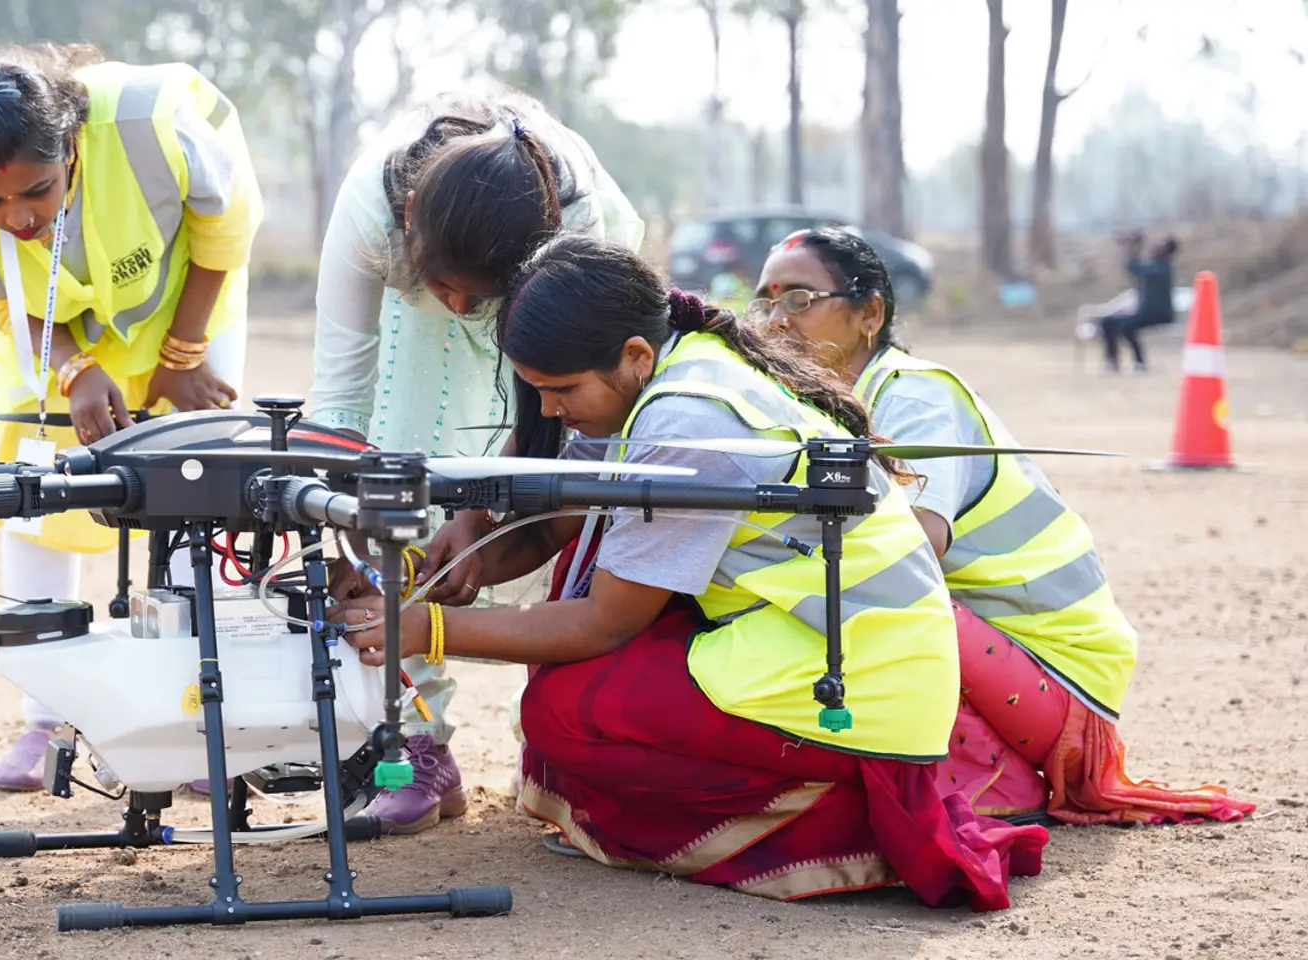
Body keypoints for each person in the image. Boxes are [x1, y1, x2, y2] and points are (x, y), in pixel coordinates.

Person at [329, 233, 1049, 910]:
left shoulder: (684, 421)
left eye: (561, 391)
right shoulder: (668, 371)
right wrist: (426, 570)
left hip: (852, 673)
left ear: (635, 354)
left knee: (564, 714)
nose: (548, 412)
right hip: (828, 644)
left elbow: (603, 621)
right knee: (575, 647)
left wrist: (426, 630)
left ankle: (843, 821)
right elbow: (555, 520)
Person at [754, 225, 1255, 826]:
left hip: (1058, 674)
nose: (775, 320)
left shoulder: (913, 396)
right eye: (764, 300)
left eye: (800, 300)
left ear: (869, 314)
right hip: (998, 650)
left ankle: (997, 782)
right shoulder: (824, 405)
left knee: (861, 609)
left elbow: (913, 549)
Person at [0, 42, 262, 792]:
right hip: (56, 332)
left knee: (202, 480)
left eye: (36, 190)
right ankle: (47, 714)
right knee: (34, 490)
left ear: (72, 144)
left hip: (187, 301)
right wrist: (74, 370)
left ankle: (208, 718)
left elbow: (224, 234)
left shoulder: (155, 124)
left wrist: (183, 355)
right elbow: (10, 306)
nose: (19, 218)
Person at [306, 86, 644, 835]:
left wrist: (479, 511)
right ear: (407, 236)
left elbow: (557, 420)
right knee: (393, 479)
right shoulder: (370, 212)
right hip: (416, 326)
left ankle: (559, 743)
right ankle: (413, 740)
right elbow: (339, 398)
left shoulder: (576, 227)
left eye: (476, 296)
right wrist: (351, 521)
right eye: (445, 287)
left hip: (554, 313)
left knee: (582, 484)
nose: (460, 310)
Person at [1099, 232, 1180, 374]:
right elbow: (1136, 268)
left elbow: (1134, 268)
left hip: (1159, 314)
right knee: (1107, 322)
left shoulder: (1163, 268)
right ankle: (1112, 362)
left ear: (1167, 250)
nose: (1155, 247)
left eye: (1160, 245)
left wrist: (1129, 249)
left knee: (1127, 327)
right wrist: (1133, 249)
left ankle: (1140, 362)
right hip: (1145, 312)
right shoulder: (1156, 265)